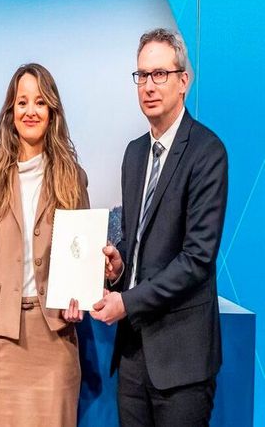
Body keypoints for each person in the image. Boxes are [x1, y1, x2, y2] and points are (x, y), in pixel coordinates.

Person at [92, 28, 227, 426]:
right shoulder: (134, 154)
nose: (149, 86)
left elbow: (196, 259)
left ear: (183, 81)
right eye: (141, 75)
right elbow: (139, 245)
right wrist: (118, 271)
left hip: (182, 361)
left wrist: (127, 303)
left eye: (160, 74)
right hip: (133, 356)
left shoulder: (208, 152)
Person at [0, 63, 88, 426]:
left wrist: (78, 299)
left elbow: (82, 261)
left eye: (39, 102)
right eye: (22, 102)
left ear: (52, 112)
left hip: (56, 341)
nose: (30, 111)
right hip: (2, 345)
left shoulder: (72, 178)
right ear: (11, 113)